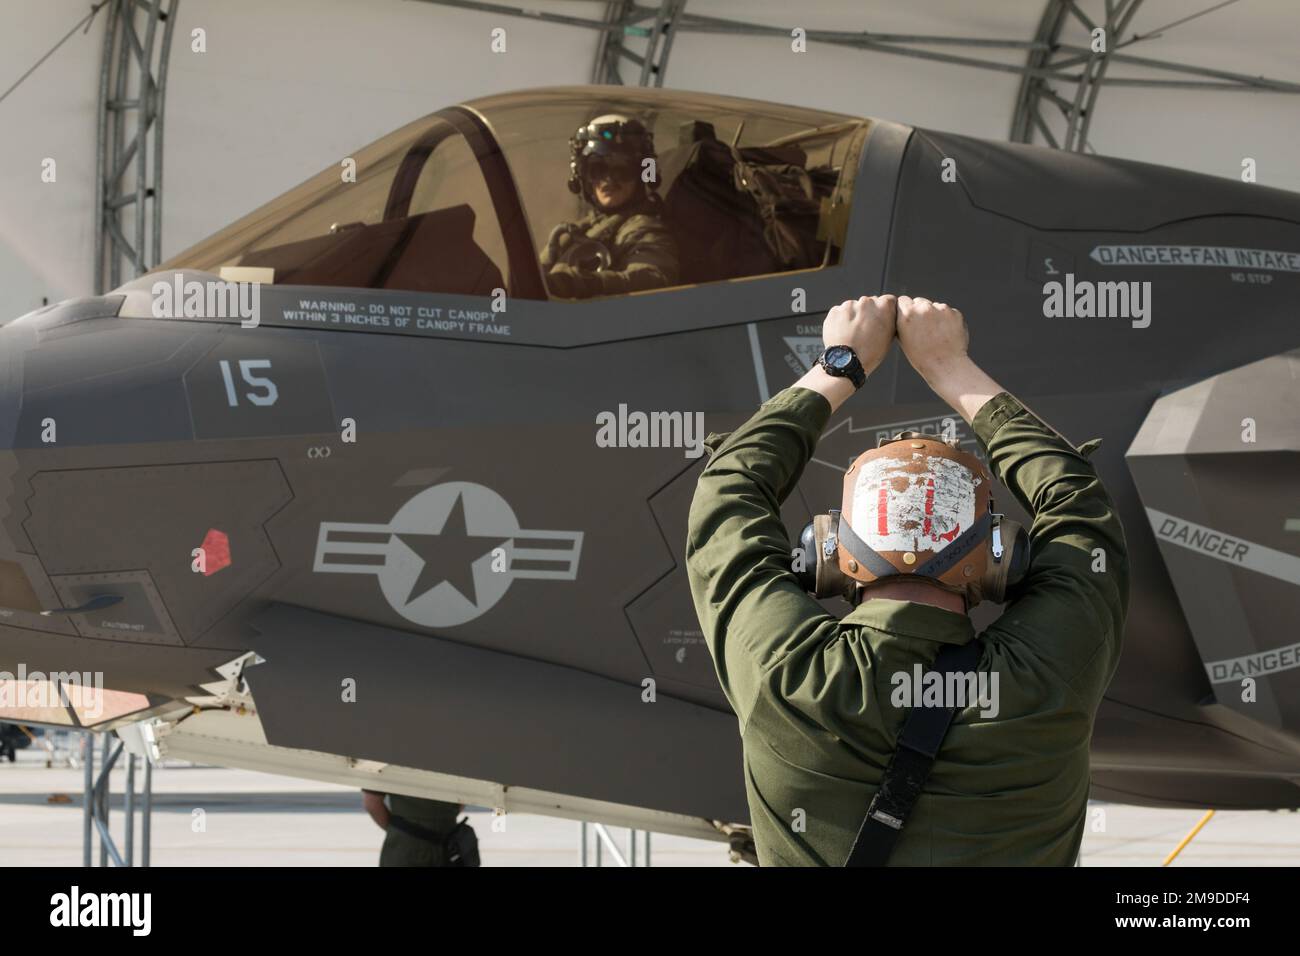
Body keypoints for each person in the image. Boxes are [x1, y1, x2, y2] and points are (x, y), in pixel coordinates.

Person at [685, 295, 1128, 866]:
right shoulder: (1043, 683)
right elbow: (1079, 511)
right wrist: (950, 367)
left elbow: (727, 492)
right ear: (1001, 558)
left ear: (829, 551)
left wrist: (839, 365)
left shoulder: (787, 676)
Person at [540, 114, 679, 298]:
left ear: (641, 175)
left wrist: (585, 283)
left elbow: (654, 276)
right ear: (583, 177)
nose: (608, 180)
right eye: (597, 169)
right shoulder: (578, 230)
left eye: (622, 170)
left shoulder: (643, 228)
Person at [361, 790, 478, 867]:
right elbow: (463, 797)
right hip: (448, 842)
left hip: (404, 844)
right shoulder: (457, 753)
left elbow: (372, 803)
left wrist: (400, 830)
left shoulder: (390, 752)